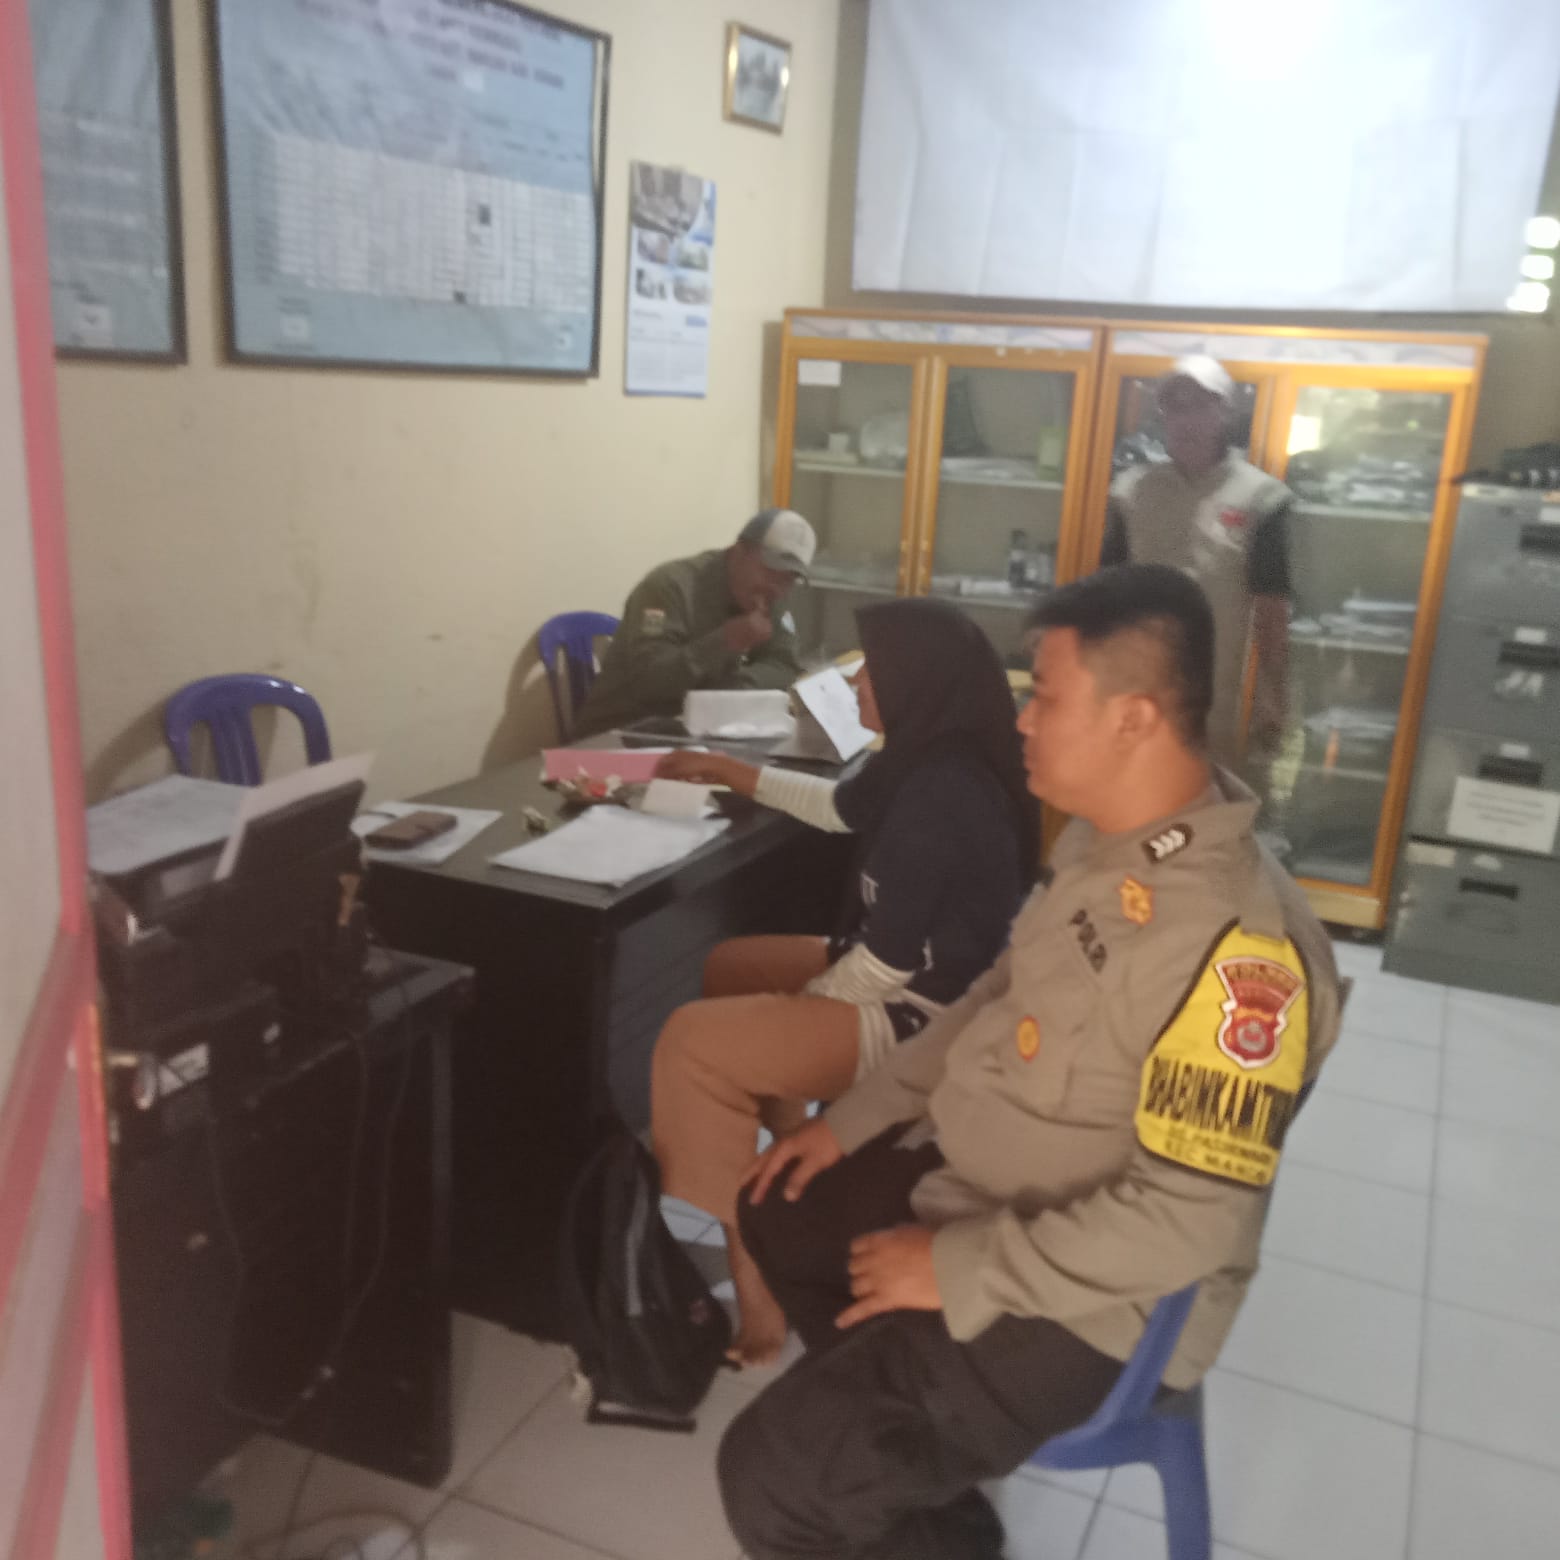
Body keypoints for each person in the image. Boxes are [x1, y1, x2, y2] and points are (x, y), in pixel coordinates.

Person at [716, 564, 1341, 1560]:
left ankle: (883, 1453)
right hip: (989, 1186)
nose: (1021, 722)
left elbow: (1186, 1223)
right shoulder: (1108, 842)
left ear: (1132, 720)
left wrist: (956, 1269)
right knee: (778, 1201)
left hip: (1094, 1306)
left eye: (1045, 697)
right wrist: (852, 1121)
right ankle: (921, 1488)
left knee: (769, 1480)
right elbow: (992, 995)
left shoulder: (1238, 952)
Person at [650, 598, 1038, 1366]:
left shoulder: (944, 791)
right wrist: (732, 772)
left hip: (924, 1016)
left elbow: (886, 967)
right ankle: (787, 1157)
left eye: (869, 671)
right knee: (730, 968)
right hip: (901, 971)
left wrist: (791, 1014)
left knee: (692, 1042)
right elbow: (837, 809)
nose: (854, 683)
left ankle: (757, 1269)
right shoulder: (918, 753)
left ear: (914, 682)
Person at [1101, 355, 1294, 773]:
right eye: (1175, 406)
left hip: (1216, 697)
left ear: (1225, 411)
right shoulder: (1131, 492)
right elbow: (1106, 595)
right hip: (1137, 688)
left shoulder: (1260, 498)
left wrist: (1273, 693)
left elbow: (1271, 606)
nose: (1186, 419)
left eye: (1200, 405)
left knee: (1207, 800)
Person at [572, 510, 815, 738]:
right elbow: (650, 684)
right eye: (771, 570)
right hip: (622, 734)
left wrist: (734, 689)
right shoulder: (669, 587)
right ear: (738, 551)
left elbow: (784, 664)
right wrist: (724, 642)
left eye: (789, 579)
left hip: (701, 732)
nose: (777, 588)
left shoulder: (770, 596)